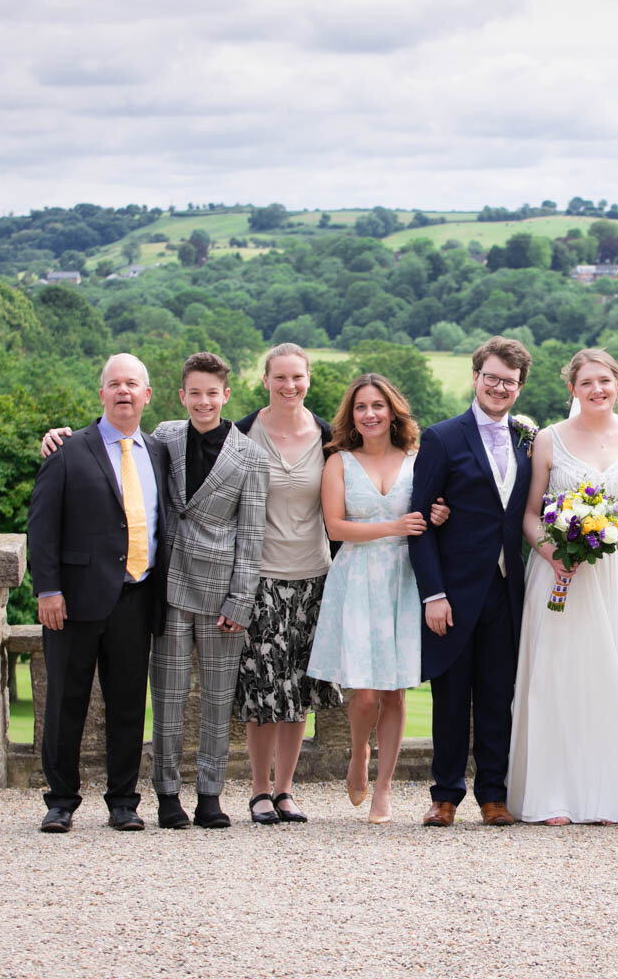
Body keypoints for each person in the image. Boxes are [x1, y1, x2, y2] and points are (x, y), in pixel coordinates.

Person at [507, 349, 618, 828]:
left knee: (613, 674)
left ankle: (612, 796)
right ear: (572, 390)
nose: (596, 389)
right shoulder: (549, 440)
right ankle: (552, 794)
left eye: (604, 380)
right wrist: (553, 554)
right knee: (558, 676)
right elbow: (530, 515)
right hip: (559, 574)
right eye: (586, 383)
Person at [28, 353, 170, 833]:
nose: (124, 391)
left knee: (129, 704)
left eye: (133, 384)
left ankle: (124, 802)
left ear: (148, 395)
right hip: (73, 601)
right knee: (66, 702)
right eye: (115, 384)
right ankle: (61, 800)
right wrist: (48, 589)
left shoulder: (158, 452)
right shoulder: (67, 450)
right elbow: (42, 527)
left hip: (137, 596)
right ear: (102, 394)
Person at [409, 336, 533, 827]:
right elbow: (420, 521)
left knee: (498, 694)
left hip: (507, 588)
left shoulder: (526, 440)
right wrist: (433, 594)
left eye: (510, 381)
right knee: (451, 697)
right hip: (455, 591)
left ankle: (494, 795)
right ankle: (444, 796)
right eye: (493, 378)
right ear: (476, 376)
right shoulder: (442, 437)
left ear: (519, 388)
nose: (500, 388)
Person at [147, 352, 267, 829]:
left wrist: (241, 599)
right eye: (194, 393)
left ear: (226, 395)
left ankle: (211, 796)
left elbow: (252, 534)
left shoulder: (250, 456)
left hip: (222, 595)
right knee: (169, 699)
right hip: (171, 584)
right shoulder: (163, 436)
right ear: (182, 395)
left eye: (211, 393)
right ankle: (167, 795)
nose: (203, 401)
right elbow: (116, 450)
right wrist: (64, 437)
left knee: (219, 702)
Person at [306, 374, 432, 825]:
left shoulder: (417, 459)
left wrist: (437, 513)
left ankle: (384, 789)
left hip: (403, 579)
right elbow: (336, 528)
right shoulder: (339, 462)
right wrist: (393, 527)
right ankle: (359, 751)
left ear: (392, 410)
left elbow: (433, 512)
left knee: (396, 692)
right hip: (357, 577)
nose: (370, 414)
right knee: (364, 695)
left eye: (378, 405)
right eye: (361, 407)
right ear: (351, 415)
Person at [232, 343, 343, 825]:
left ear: (309, 379)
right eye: (280, 378)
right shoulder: (240, 434)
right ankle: (258, 791)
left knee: (297, 691)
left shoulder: (330, 437)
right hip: (260, 580)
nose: (289, 386)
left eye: (297, 377)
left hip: (315, 579)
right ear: (266, 381)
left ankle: (285, 790)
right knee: (262, 692)